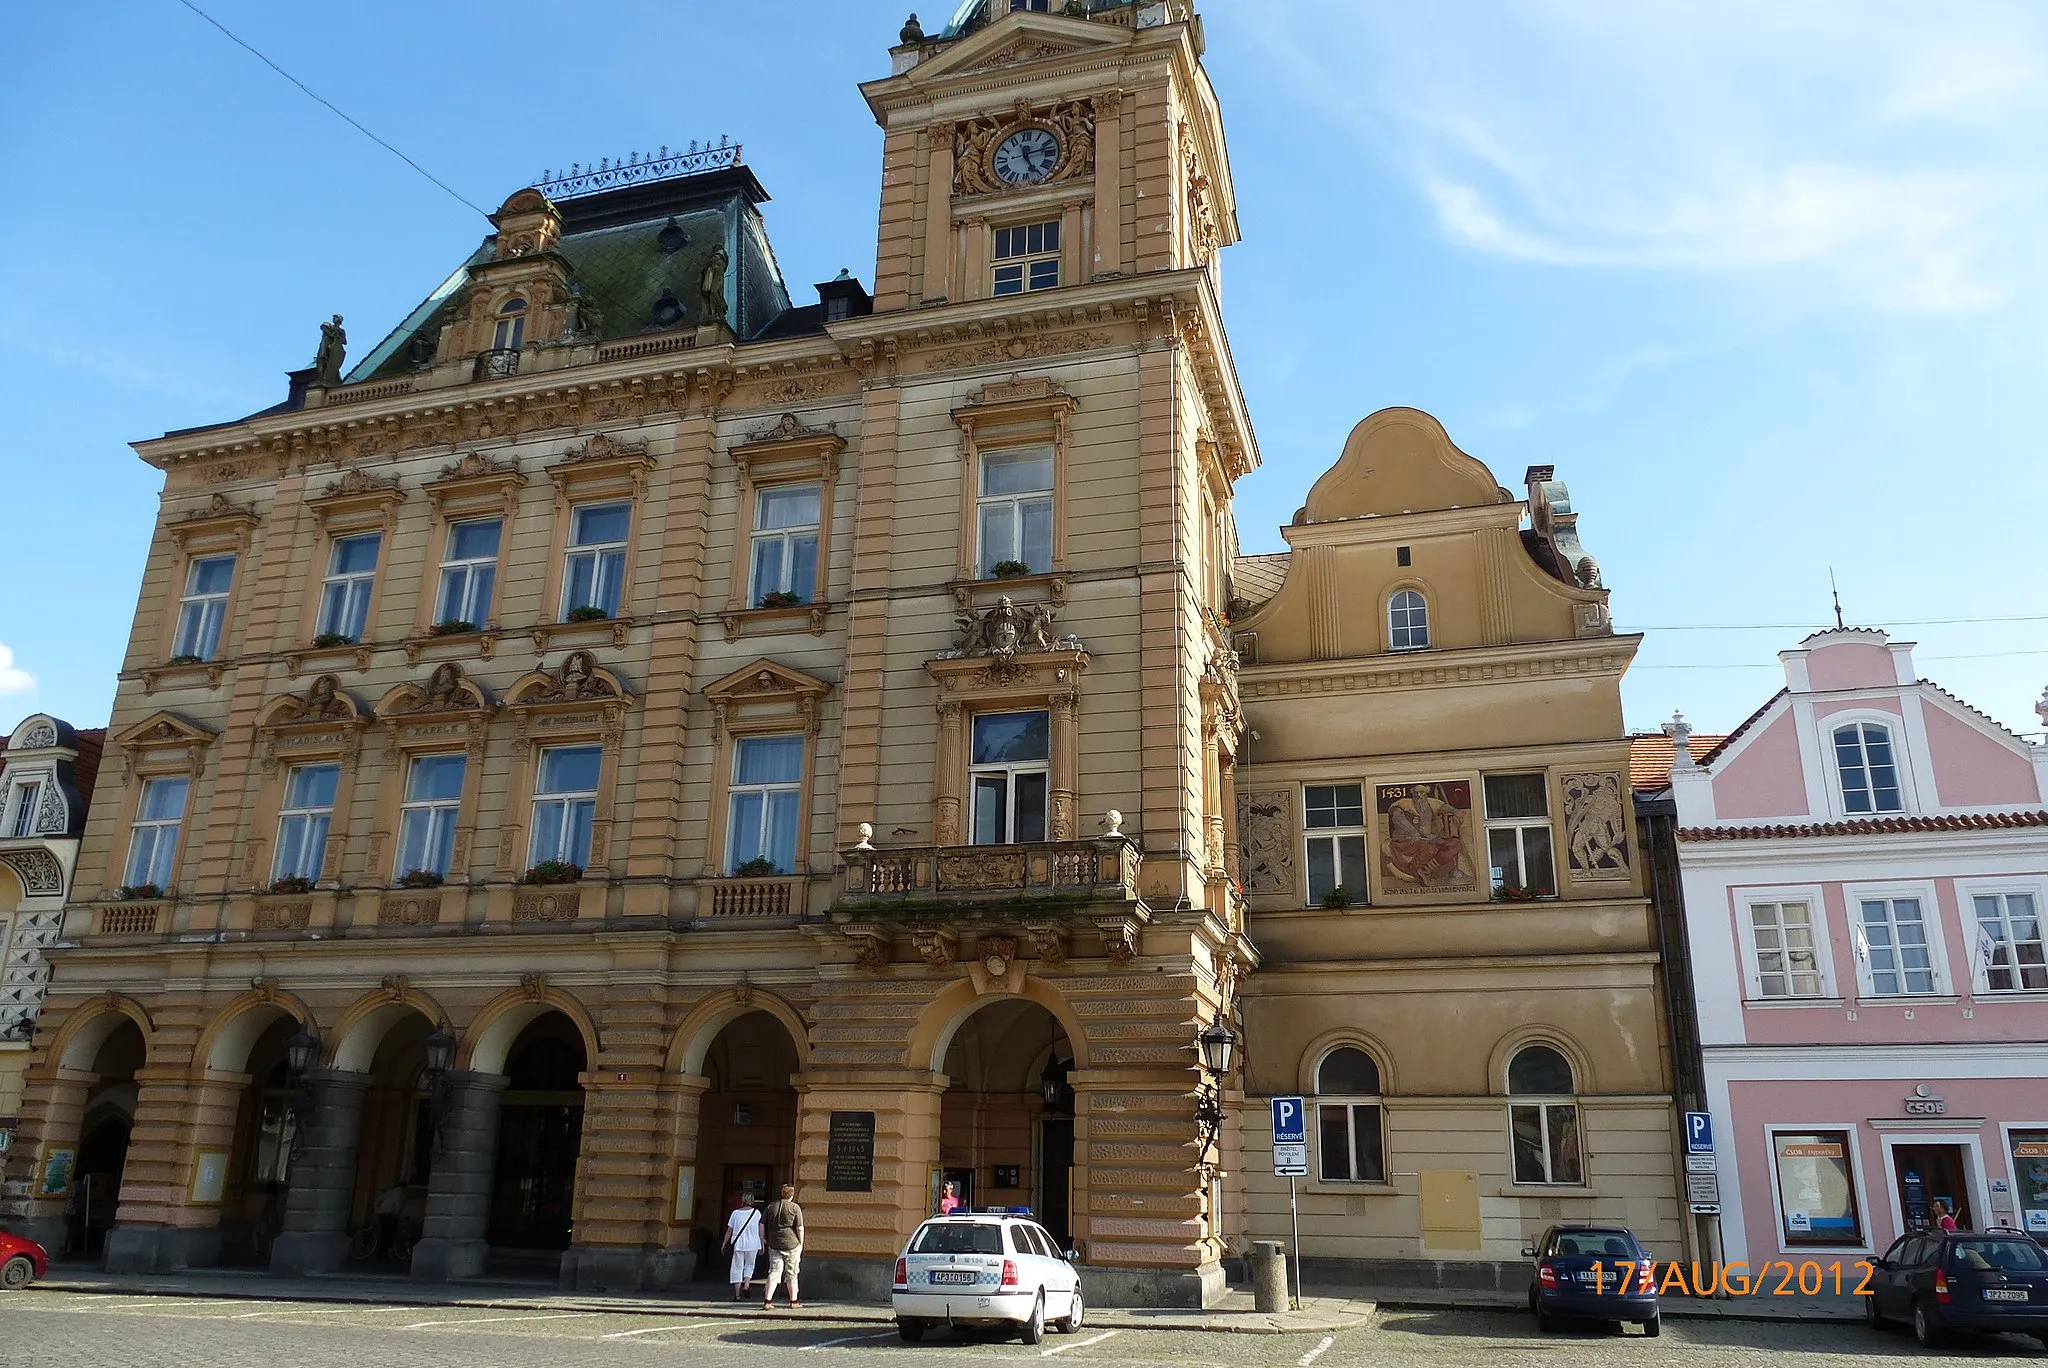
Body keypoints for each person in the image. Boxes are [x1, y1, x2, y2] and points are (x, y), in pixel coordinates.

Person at [761, 1182, 805, 1309]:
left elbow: (761, 1224)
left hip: (774, 1244)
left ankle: (767, 1301)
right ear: (792, 1194)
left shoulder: (771, 1207)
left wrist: (763, 1238)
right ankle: (793, 1301)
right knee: (792, 1273)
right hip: (791, 1244)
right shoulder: (795, 1207)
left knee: (774, 1272)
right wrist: (801, 1243)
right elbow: (800, 1227)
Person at [723, 1195, 763, 1301]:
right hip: (753, 1244)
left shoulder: (735, 1213)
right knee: (750, 1265)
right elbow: (760, 1230)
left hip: (739, 1244)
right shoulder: (757, 1213)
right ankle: (746, 1285)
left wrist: (724, 1243)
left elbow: (729, 1230)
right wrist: (762, 1243)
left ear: (743, 1201)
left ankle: (737, 1294)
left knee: (737, 1267)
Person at [374, 1181, 407, 1260]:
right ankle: (383, 1254)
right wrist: (396, 1213)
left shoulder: (390, 1191)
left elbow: (378, 1200)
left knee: (384, 1234)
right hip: (390, 1215)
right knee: (390, 1235)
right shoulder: (401, 1192)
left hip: (382, 1214)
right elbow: (398, 1204)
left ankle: (381, 1253)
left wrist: (377, 1210)